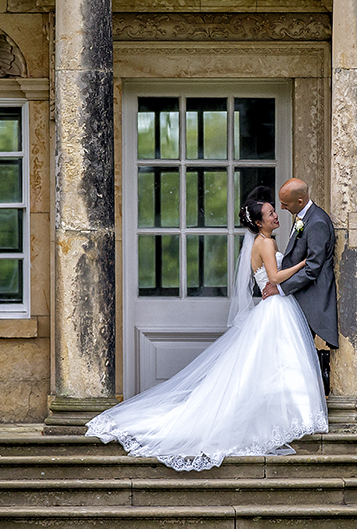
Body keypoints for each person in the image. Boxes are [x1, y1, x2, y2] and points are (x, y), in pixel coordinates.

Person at [87, 193, 328, 471]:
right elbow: (274, 278)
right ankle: (279, 418)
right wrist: (303, 264)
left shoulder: (261, 241)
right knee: (274, 363)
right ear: (260, 223)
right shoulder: (266, 242)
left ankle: (281, 418)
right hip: (275, 307)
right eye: (271, 213)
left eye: (275, 211)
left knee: (270, 366)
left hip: (275, 306)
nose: (276, 216)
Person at [262, 178, 338, 391]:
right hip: (299, 294)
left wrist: (280, 287)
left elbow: (313, 268)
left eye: (285, 204)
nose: (282, 208)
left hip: (311, 297)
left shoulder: (317, 223)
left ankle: (315, 382)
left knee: (299, 351)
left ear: (301, 200)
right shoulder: (304, 217)